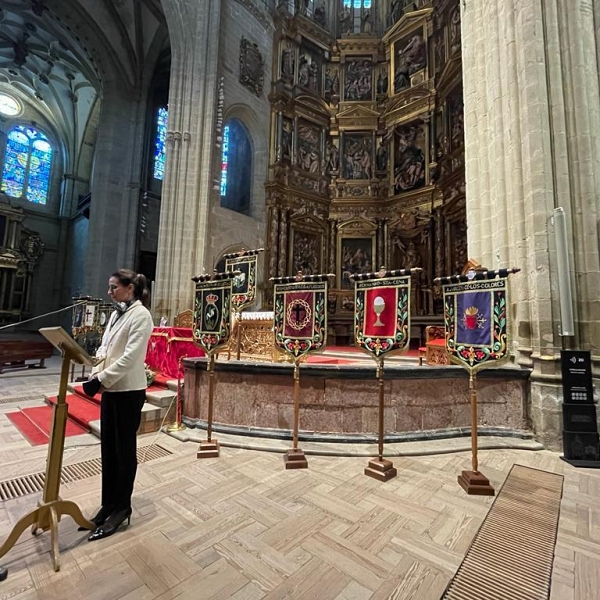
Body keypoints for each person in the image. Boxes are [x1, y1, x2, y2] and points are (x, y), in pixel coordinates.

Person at [81, 269, 154, 541]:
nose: (109, 292)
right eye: (109, 287)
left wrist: (102, 378)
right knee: (109, 449)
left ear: (129, 288)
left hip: (129, 391)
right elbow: (106, 345)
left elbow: (131, 358)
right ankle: (108, 505)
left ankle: (122, 507)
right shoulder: (115, 313)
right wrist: (96, 366)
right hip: (111, 389)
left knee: (124, 451)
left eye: (114, 287)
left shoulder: (142, 316)